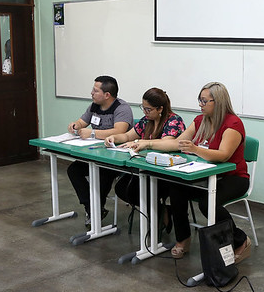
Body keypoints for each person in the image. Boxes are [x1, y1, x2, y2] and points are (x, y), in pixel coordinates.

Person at [158, 82, 251, 262]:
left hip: (233, 177)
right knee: (176, 188)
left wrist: (195, 149)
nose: (200, 104)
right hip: (205, 175)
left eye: (204, 101)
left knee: (207, 203)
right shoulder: (200, 120)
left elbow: (223, 156)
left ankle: (240, 240)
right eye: (199, 100)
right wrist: (146, 144)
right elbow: (178, 142)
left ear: (218, 102)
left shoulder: (233, 123)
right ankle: (183, 238)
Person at [106, 88, 185, 223]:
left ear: (160, 109)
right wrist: (113, 137)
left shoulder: (174, 121)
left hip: (166, 173)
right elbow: (127, 136)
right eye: (143, 108)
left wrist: (142, 142)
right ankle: (161, 210)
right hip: (145, 168)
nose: (145, 112)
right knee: (122, 188)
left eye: (148, 109)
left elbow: (167, 142)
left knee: (138, 190)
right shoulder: (145, 121)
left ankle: (159, 215)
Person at [66, 76, 134, 226]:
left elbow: (119, 131)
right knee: (73, 170)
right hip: (95, 153)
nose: (91, 93)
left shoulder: (122, 108)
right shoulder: (94, 106)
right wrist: (75, 125)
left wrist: (92, 133)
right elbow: (82, 121)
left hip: (115, 156)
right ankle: (93, 208)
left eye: (95, 91)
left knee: (102, 173)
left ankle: (94, 211)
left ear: (107, 95)